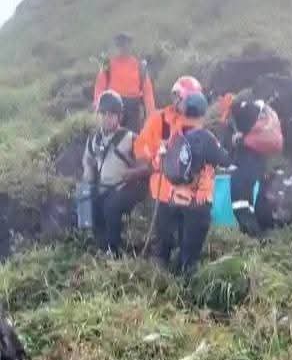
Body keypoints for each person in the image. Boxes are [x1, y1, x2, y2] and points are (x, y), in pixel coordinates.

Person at [134, 78, 231, 275]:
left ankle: (163, 278)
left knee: (166, 246)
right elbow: (224, 159)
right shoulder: (204, 135)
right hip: (187, 199)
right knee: (184, 249)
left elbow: (154, 158)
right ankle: (183, 278)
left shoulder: (178, 133)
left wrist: (158, 159)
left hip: (174, 197)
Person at [82, 90, 149, 256]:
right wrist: (88, 178)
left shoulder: (131, 137)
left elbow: (147, 166)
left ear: (119, 116)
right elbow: (88, 160)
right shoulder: (94, 139)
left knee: (111, 206)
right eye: (103, 113)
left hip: (126, 187)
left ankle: (114, 249)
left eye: (111, 114)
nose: (106, 118)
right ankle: (98, 244)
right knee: (86, 200)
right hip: (104, 185)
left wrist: (133, 174)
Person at [227, 98, 278, 236]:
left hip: (247, 169)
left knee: (241, 204)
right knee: (258, 202)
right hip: (260, 167)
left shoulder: (246, 140)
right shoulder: (262, 134)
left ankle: (254, 237)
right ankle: (265, 233)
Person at [93, 34, 156, 133]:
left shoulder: (139, 66)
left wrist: (151, 117)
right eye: (120, 44)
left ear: (130, 45)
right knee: (112, 139)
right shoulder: (107, 65)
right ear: (116, 46)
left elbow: (148, 94)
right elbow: (99, 88)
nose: (123, 47)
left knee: (133, 140)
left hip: (133, 110)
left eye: (126, 43)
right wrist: (99, 108)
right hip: (112, 107)